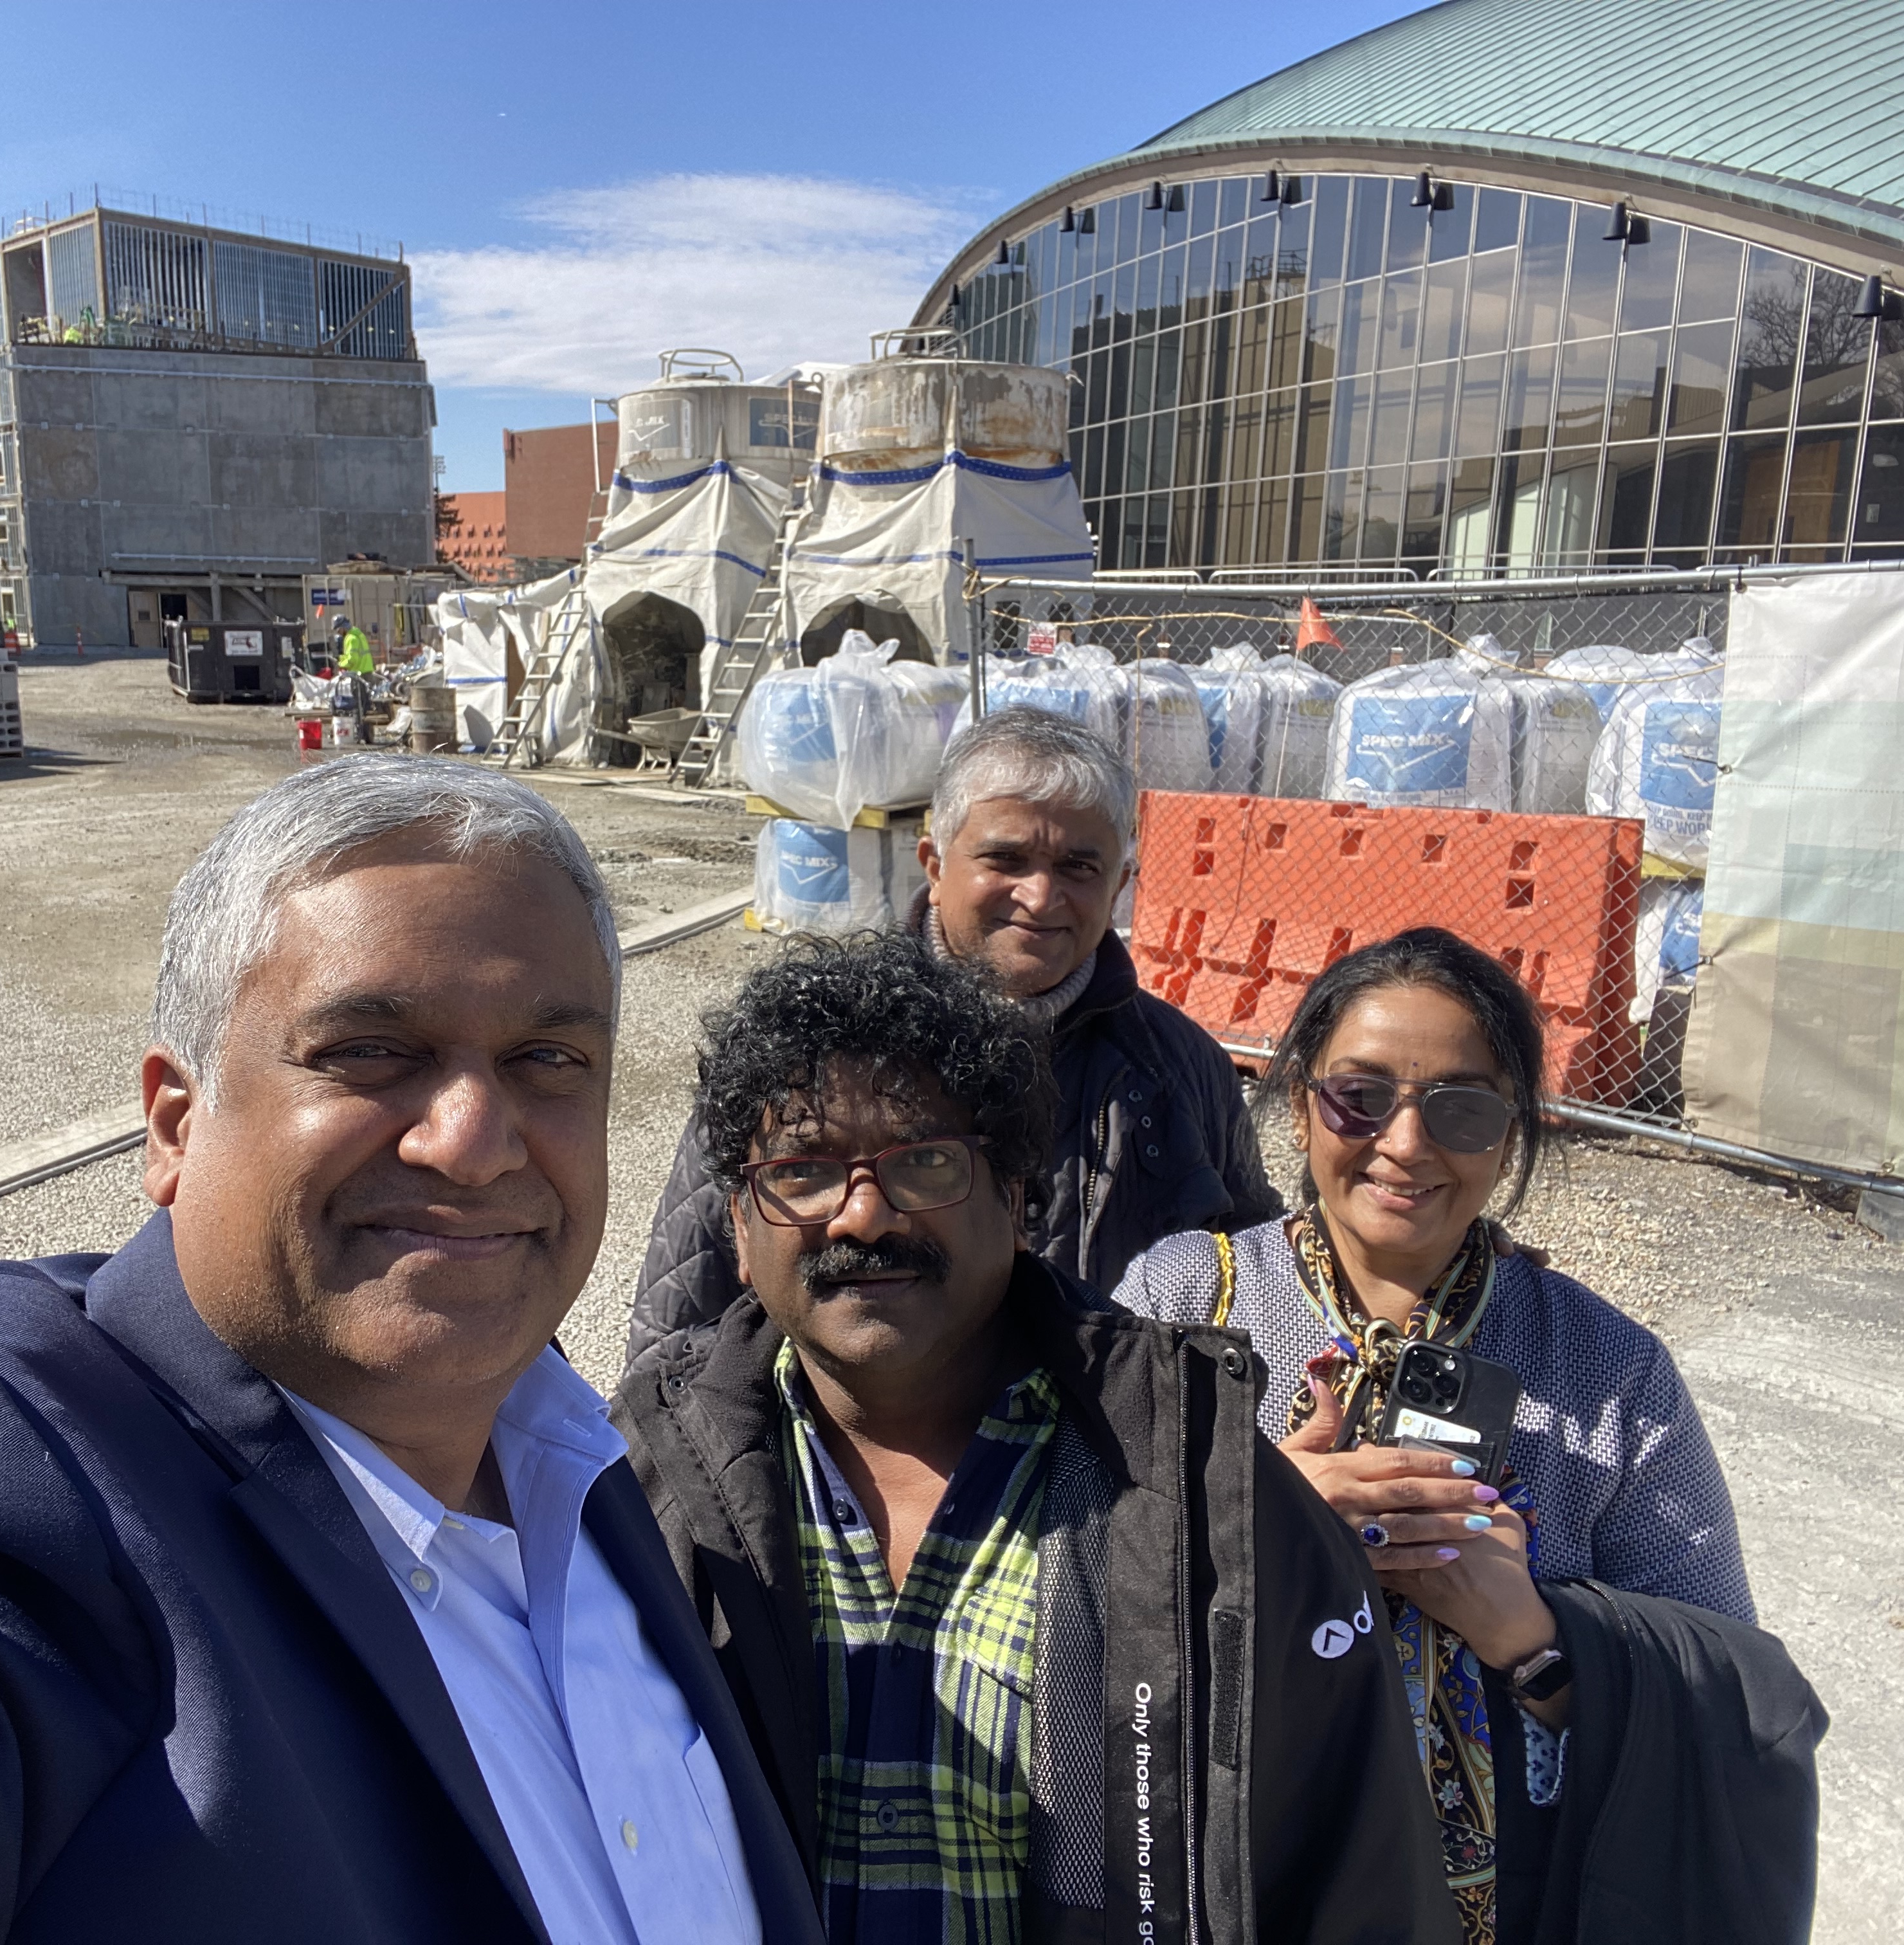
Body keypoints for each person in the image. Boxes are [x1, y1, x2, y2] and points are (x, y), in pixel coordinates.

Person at [0, 757, 823, 1945]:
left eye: (546, 1060)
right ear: (174, 1124)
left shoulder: (572, 1456)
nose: (472, 1137)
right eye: (366, 1052)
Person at [616, 930, 1460, 1945]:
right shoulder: (636, 1486)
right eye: (802, 1171)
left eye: (925, 1161)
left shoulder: (1201, 1492)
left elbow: (1361, 1884)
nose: (864, 1215)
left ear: (1016, 1200)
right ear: (740, 1232)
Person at [1113, 927, 1824, 1944]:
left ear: (1513, 1132)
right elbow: (1060, 1566)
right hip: (1228, 1870)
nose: (1405, 1144)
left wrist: (1536, 1638)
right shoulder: (1181, 1299)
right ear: (1300, 1098)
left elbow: (1731, 1694)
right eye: (1359, 1096)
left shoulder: (1606, 1371)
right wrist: (1258, 1515)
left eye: (1461, 1108)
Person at [630, 708, 1278, 1362]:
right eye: (1007, 858)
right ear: (935, 866)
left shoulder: (1182, 1067)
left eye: (1080, 867)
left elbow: (1261, 1282)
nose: (1041, 895)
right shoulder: (802, 1047)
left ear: (1120, 888)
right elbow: (679, 1327)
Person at [338, 617, 376, 742]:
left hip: (359, 674)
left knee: (358, 704)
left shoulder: (351, 638)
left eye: (339, 629)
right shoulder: (359, 634)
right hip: (367, 671)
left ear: (343, 627)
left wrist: (341, 663)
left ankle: (360, 734)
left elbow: (352, 660)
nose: (339, 632)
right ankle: (366, 734)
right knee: (365, 704)